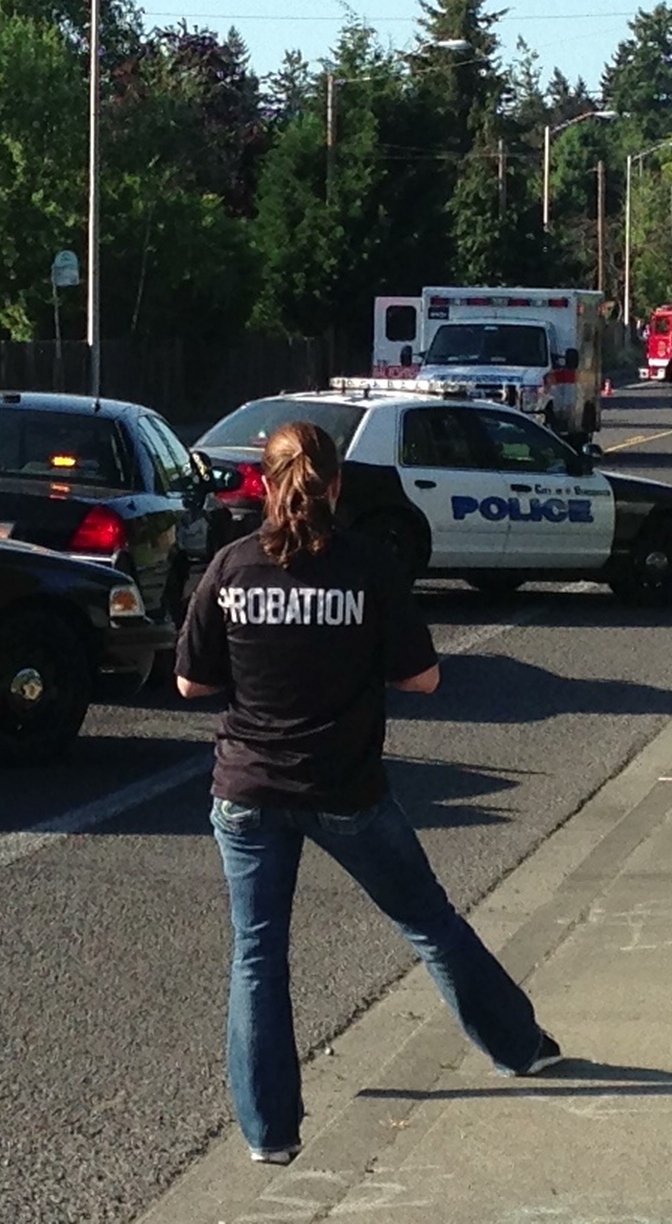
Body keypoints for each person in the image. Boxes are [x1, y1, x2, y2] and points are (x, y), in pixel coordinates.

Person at [175, 421, 562, 1168]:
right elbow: (423, 677)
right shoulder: (368, 566)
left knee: (258, 954)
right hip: (345, 787)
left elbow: (192, 681)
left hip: (248, 790)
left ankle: (270, 1133)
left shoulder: (231, 567)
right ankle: (518, 1047)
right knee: (428, 921)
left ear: (264, 481)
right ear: (337, 484)